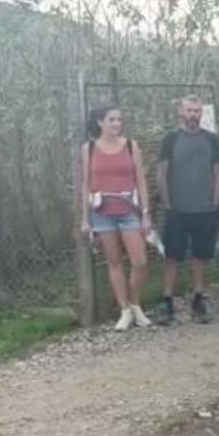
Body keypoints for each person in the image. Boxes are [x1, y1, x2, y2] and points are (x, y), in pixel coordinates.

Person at [80, 106, 152, 331]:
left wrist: (146, 212)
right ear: (100, 123)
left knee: (140, 261)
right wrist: (85, 218)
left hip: (128, 210)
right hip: (102, 212)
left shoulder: (131, 146)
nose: (116, 124)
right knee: (114, 262)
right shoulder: (89, 148)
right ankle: (124, 310)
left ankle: (135, 302)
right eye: (111, 120)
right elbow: (86, 184)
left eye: (119, 120)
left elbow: (140, 180)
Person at [156, 95, 219, 325]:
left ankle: (198, 299)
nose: (193, 115)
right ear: (181, 112)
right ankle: (167, 301)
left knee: (200, 256)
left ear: (201, 113)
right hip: (177, 208)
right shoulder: (171, 139)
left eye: (197, 111)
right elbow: (162, 173)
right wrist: (167, 204)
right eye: (189, 110)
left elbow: (217, 173)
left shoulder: (211, 139)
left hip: (204, 208)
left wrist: (215, 203)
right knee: (172, 256)